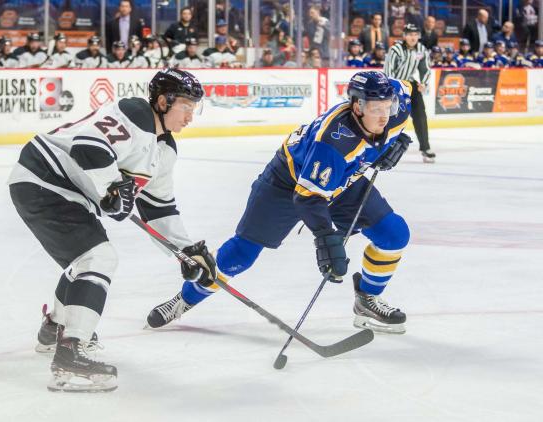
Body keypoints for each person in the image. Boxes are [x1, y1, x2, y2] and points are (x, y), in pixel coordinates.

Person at [146, 71, 413, 336]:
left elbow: (413, 90)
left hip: (342, 181)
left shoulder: (397, 104)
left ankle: (367, 301)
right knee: (242, 253)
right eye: (376, 109)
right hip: (285, 182)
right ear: (357, 106)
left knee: (394, 234)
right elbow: (308, 199)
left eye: (387, 108)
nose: (384, 116)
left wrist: (398, 139)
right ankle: (185, 299)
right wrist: (325, 240)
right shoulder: (332, 142)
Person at [8, 68, 212, 392]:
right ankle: (70, 354)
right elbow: (89, 146)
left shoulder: (165, 151)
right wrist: (111, 188)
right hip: (44, 176)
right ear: (163, 101)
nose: (190, 116)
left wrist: (186, 252)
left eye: (194, 108)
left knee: (87, 260)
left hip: (64, 190)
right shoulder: (135, 113)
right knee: (98, 259)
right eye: (186, 106)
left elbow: (158, 208)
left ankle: (56, 329)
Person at [384, 23, 435, 163]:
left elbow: (426, 68)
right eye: (410, 34)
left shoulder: (421, 49)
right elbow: (388, 70)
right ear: (404, 36)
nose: (413, 37)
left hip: (411, 85)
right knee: (391, 117)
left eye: (415, 34)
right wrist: (392, 89)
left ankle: (426, 148)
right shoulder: (396, 49)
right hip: (396, 86)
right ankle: (384, 148)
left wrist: (423, 83)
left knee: (420, 117)